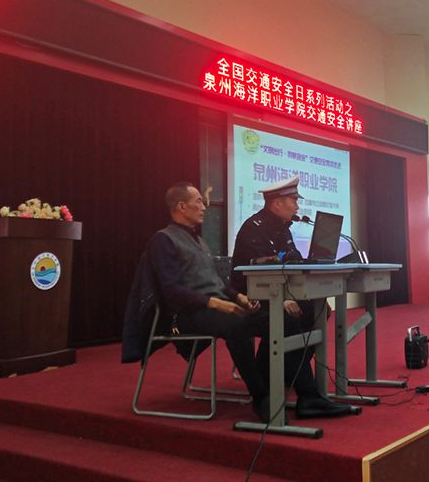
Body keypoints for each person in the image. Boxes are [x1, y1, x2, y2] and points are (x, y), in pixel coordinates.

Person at [142, 182, 271, 422]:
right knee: (237, 324)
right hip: (181, 317)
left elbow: (216, 283)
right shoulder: (163, 240)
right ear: (181, 207)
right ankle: (262, 397)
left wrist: (239, 297)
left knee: (276, 319)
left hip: (212, 309)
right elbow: (171, 291)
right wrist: (217, 304)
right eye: (199, 202)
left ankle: (283, 384)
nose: (204, 207)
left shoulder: (199, 241)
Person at [231, 175, 354, 418]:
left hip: (277, 295)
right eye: (294, 201)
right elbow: (260, 275)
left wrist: (309, 295)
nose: (298, 206)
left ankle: (284, 372)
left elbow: (294, 263)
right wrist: (285, 298)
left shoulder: (283, 229)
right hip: (251, 300)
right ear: (277, 203)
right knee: (288, 318)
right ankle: (308, 396)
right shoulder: (253, 229)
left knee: (317, 311)